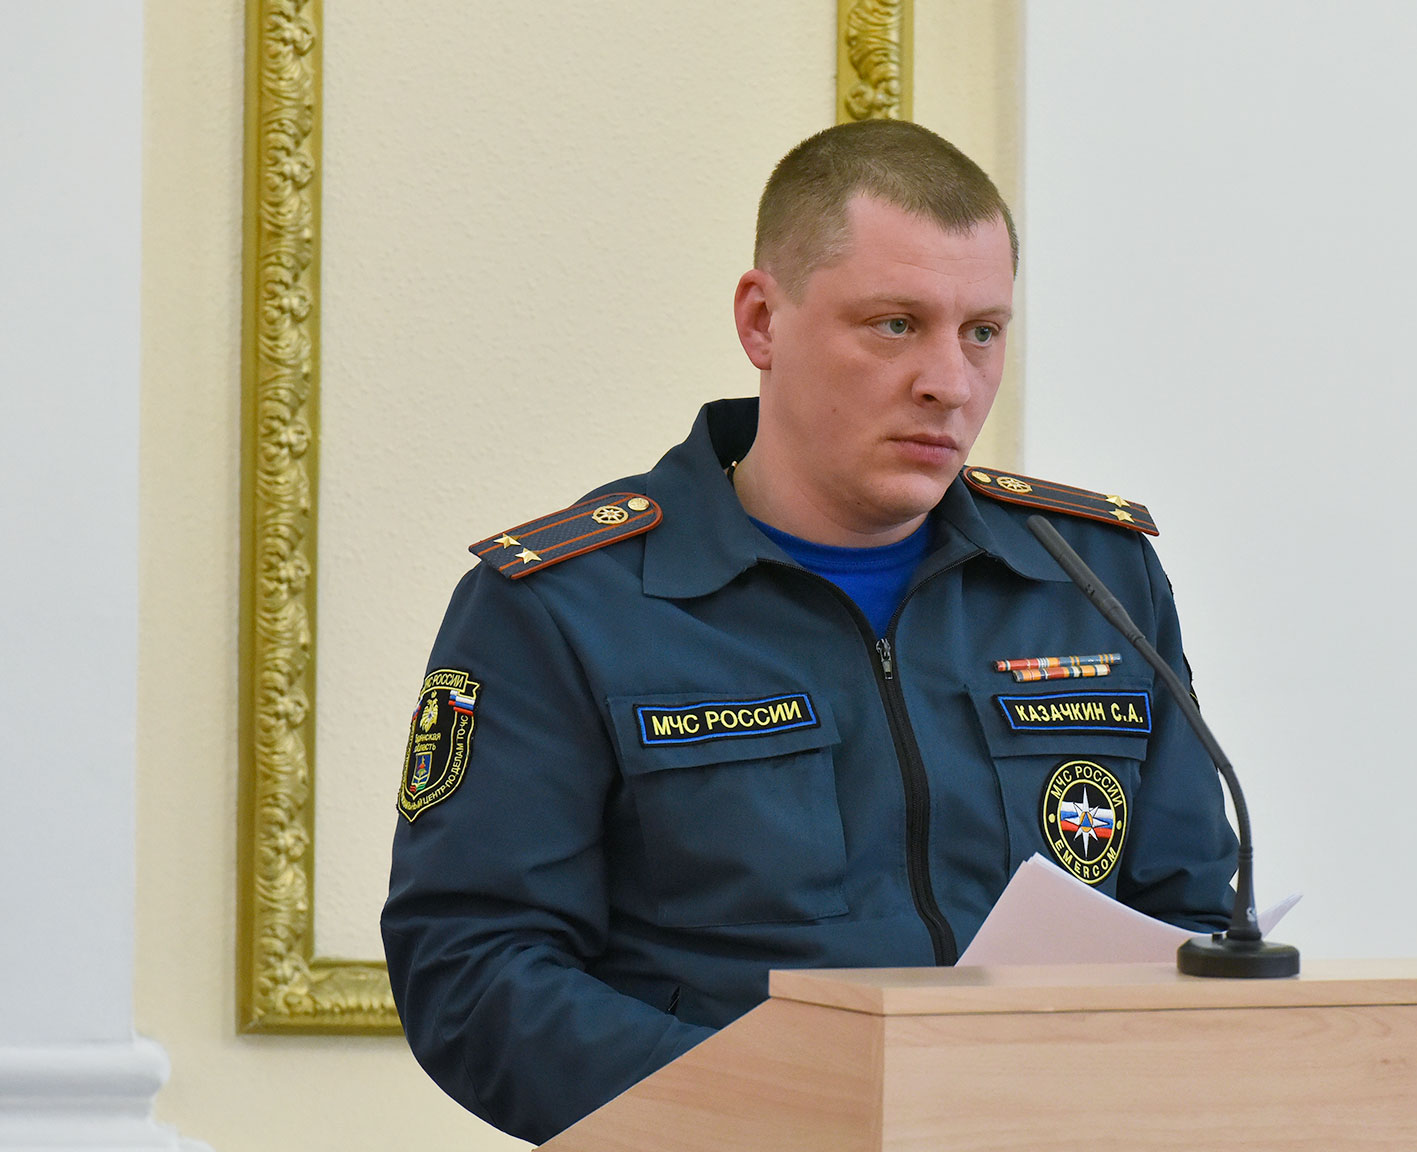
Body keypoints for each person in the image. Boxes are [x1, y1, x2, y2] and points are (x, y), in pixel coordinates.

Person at [381, 119, 1237, 1144]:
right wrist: (785, 1114)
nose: (950, 382)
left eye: (982, 331)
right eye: (894, 324)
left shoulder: (1090, 578)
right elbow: (474, 971)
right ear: (762, 322)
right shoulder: (567, 606)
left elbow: (1190, 920)